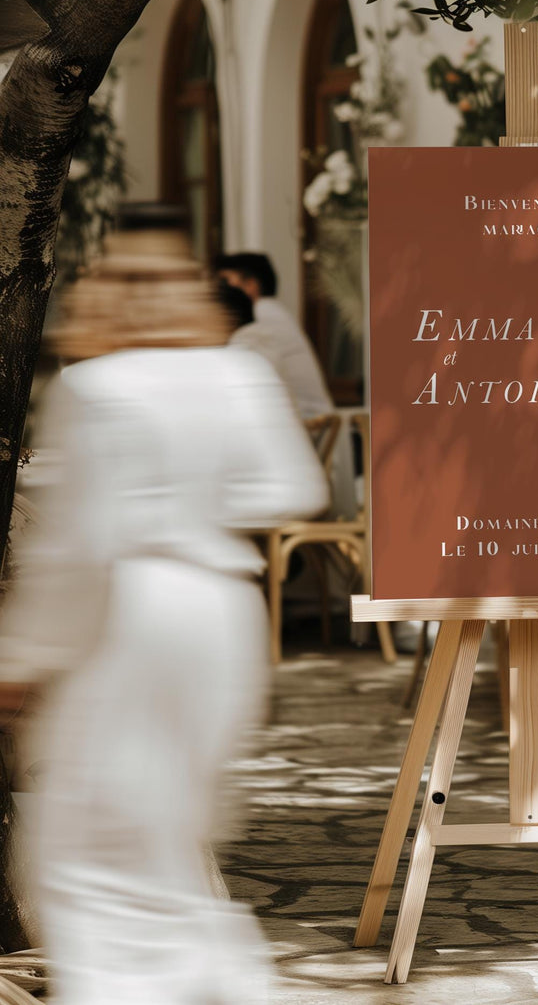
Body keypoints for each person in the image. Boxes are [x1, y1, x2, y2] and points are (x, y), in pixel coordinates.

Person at [0, 213, 329, 1004]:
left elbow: (76, 549)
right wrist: (200, 500)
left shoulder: (94, 386)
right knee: (167, 835)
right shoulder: (235, 374)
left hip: (134, 609)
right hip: (223, 608)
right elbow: (296, 489)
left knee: (87, 854)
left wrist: (23, 661)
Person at [215, 252, 355, 516]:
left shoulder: (259, 320)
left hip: (304, 439)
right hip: (306, 435)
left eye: (226, 282)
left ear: (251, 285)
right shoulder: (270, 316)